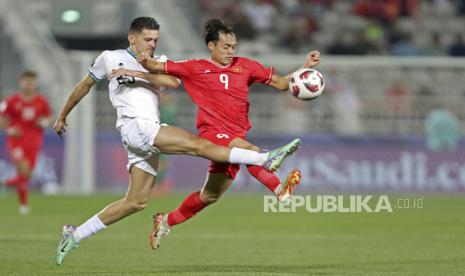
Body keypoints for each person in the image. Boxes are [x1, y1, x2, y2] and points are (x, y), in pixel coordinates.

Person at [53, 17, 300, 266]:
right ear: (132, 38)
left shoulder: (158, 62)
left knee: (136, 202)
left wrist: (137, 72)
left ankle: (74, 234)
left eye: (155, 40)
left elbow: (172, 81)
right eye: (148, 39)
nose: (152, 44)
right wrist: (62, 115)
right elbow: (84, 85)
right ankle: (266, 159)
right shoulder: (109, 57)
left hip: (145, 134)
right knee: (199, 145)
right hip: (137, 126)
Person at [109, 18, 321, 250]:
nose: (231, 52)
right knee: (249, 150)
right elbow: (158, 67)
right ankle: (280, 189)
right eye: (226, 47)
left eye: (234, 47)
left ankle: (165, 221)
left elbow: (282, 84)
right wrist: (142, 62)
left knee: (209, 196)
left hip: (236, 134)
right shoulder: (195, 67)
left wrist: (305, 67)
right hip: (212, 134)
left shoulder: (247, 66)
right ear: (211, 46)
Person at [0, 71, 51, 214]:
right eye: (26, 82)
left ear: (35, 84)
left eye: (31, 82)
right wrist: (10, 130)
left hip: (34, 142)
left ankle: (6, 184)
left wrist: (44, 122)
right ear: (21, 83)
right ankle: (23, 204)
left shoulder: (42, 101)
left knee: (26, 175)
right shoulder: (11, 101)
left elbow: (47, 118)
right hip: (17, 142)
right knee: (23, 168)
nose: (28, 85)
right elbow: (2, 120)